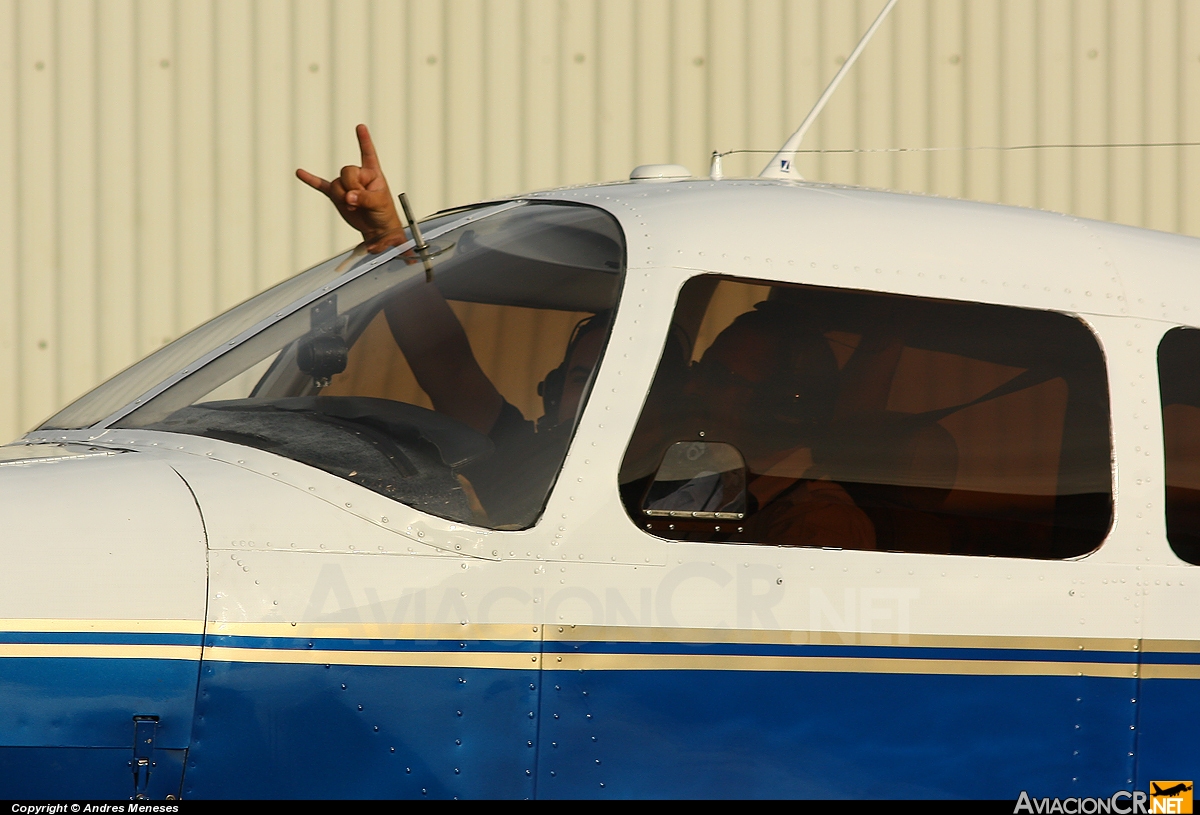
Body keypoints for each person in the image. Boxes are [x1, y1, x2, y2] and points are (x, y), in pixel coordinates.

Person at [297, 125, 609, 526]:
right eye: (580, 379)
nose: (590, 398)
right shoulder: (525, 461)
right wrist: (387, 237)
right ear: (551, 391)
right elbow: (447, 365)